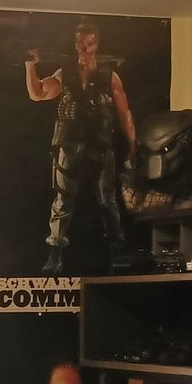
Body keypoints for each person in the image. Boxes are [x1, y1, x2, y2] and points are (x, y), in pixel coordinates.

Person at [26, 22, 135, 274]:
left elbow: (124, 113)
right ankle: (55, 254)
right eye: (79, 43)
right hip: (70, 143)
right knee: (63, 200)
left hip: (100, 144)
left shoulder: (109, 76)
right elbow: (38, 93)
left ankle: (117, 252)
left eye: (89, 43)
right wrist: (30, 65)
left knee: (107, 201)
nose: (83, 48)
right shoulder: (65, 73)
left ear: (96, 45)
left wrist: (132, 144)